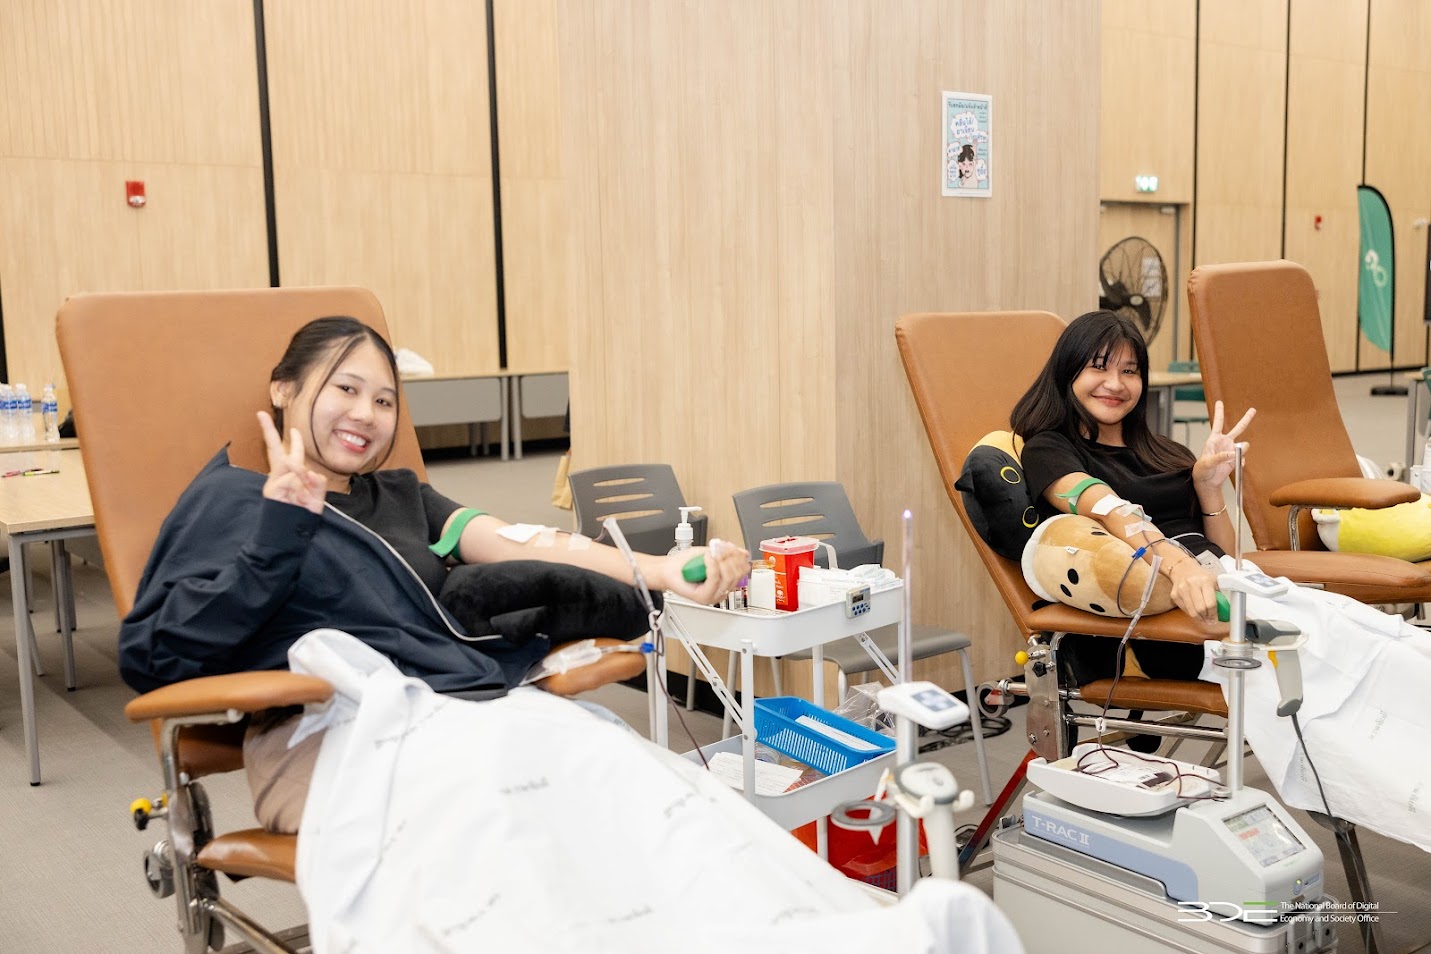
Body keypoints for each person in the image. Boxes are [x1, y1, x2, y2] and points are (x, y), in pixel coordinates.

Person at [118, 316, 749, 828]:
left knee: (641, 794)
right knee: (522, 829)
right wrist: (277, 533)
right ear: (283, 389)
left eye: (384, 400)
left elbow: (520, 540)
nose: (366, 413)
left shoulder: (403, 497)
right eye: (346, 389)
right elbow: (156, 655)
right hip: (325, 737)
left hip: (459, 709)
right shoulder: (233, 500)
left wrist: (659, 570)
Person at [1011, 309, 1254, 683]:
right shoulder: (1049, 450)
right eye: (1098, 367)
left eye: (1129, 371)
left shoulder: (1167, 452)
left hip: (1222, 597)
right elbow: (1109, 510)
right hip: (1161, 629)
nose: (1115, 384)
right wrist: (1182, 568)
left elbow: (1225, 556)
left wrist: (1208, 488)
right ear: (1067, 372)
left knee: (1339, 633)